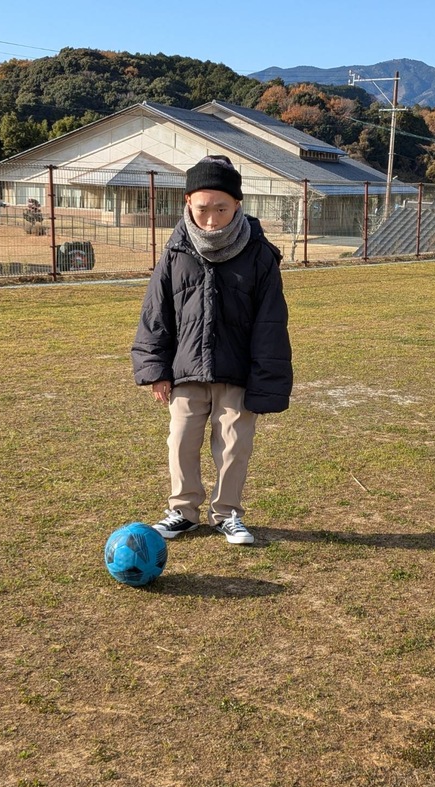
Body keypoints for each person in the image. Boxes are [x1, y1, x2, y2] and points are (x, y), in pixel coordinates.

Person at [131, 155, 292, 545]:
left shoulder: (259, 254)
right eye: (203, 208)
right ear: (188, 202)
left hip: (237, 372)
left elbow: (271, 323)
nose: (211, 219)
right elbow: (156, 312)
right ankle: (183, 512)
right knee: (180, 440)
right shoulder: (175, 250)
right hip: (186, 370)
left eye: (221, 208)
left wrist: (265, 381)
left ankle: (227, 514)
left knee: (235, 445)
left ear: (238, 204)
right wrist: (156, 370)